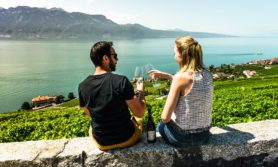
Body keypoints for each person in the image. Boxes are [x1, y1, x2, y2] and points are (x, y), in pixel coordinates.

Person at [78, 41, 146, 151]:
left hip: (102, 142)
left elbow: (89, 112)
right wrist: (141, 92)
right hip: (127, 138)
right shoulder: (121, 81)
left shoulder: (82, 86)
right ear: (105, 58)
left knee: (91, 127)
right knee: (138, 119)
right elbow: (140, 112)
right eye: (115, 56)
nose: (117, 60)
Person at [148, 36, 213, 147]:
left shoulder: (180, 78)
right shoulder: (208, 74)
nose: (174, 56)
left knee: (160, 125)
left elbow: (165, 117)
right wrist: (168, 76)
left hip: (183, 138)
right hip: (204, 136)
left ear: (182, 55)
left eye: (175, 53)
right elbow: (190, 83)